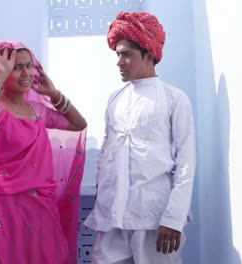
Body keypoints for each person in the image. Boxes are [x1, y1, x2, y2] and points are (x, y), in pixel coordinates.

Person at [0, 40, 87, 264]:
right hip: (5, 208)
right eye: (17, 67)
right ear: (0, 69)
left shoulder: (37, 111)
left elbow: (78, 123)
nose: (26, 73)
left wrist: (54, 94)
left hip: (40, 209)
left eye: (28, 66)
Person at [83, 11, 196, 264]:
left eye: (127, 54)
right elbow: (106, 155)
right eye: (118, 54)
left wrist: (173, 219)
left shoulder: (174, 98)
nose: (119, 62)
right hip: (113, 219)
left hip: (154, 219)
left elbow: (186, 162)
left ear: (149, 55)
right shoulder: (115, 99)